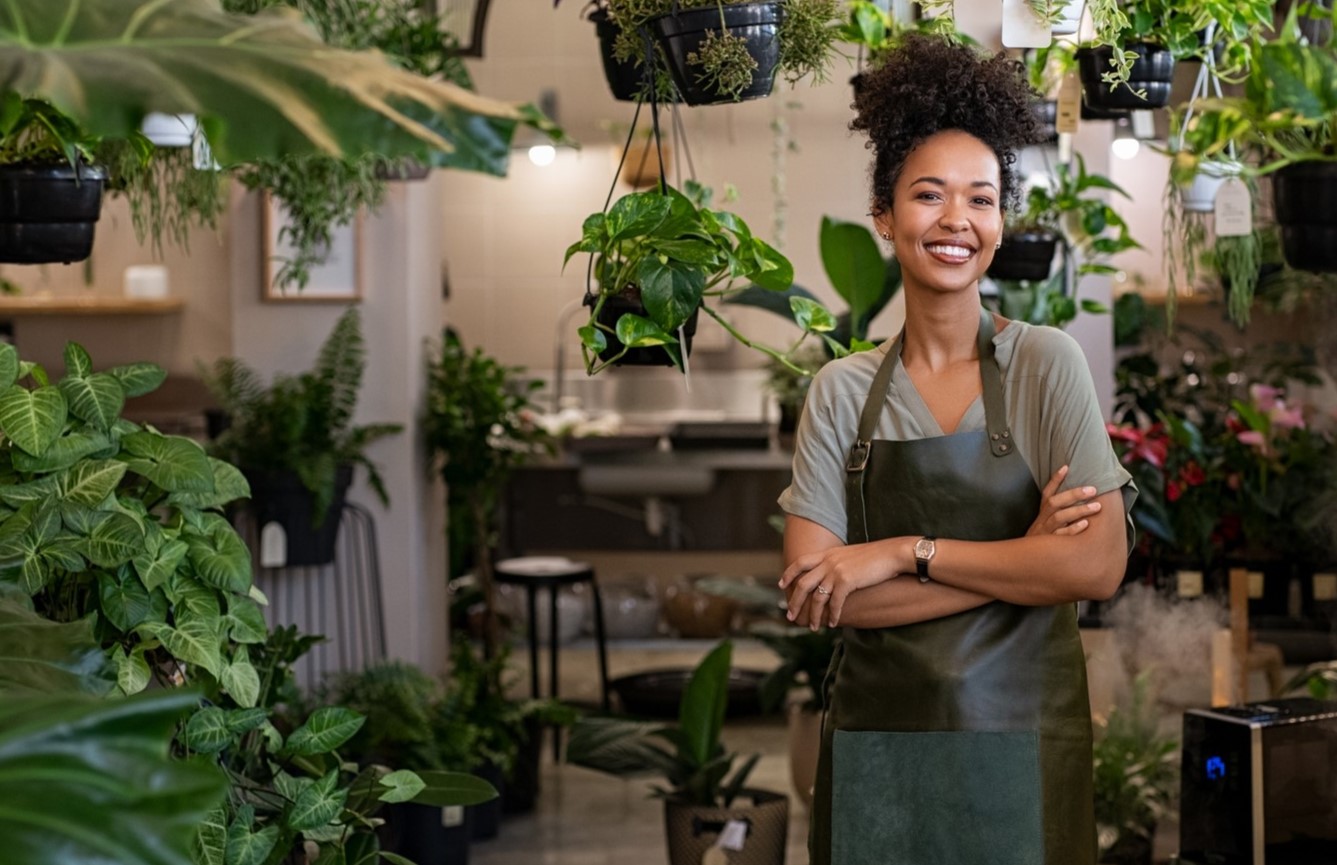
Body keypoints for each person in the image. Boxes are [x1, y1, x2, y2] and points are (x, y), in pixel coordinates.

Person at [776, 34, 1137, 865]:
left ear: (1000, 222)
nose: (955, 221)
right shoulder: (839, 391)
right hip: (878, 751)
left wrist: (901, 553)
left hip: (1024, 743)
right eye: (928, 195)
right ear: (883, 215)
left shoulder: (1045, 363)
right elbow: (817, 598)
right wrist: (1026, 561)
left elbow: (1093, 568)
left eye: (980, 199)